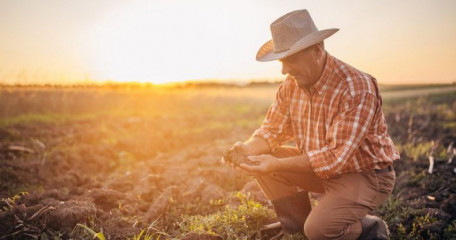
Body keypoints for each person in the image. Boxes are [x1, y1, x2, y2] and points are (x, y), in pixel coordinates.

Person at [223, 9, 400, 240]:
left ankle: (368, 229)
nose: (284, 70)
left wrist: (275, 164)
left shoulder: (356, 87)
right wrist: (243, 151)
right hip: (322, 170)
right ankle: (296, 228)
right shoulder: (290, 85)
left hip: (364, 175)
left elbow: (336, 157)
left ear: (317, 51)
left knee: (319, 229)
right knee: (263, 157)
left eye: (290, 60)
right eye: (282, 61)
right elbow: (271, 131)